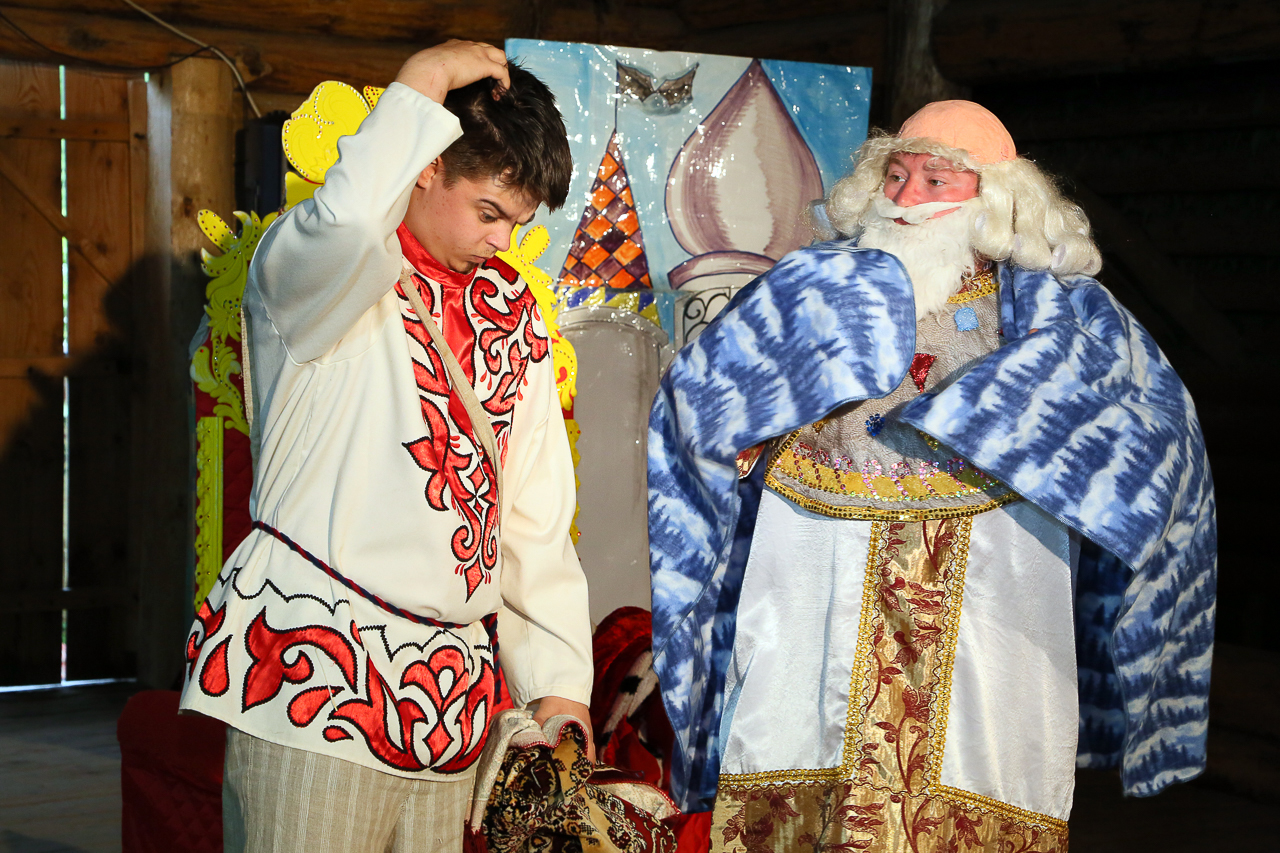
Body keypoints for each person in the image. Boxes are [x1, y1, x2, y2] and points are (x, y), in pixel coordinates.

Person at [647, 101, 1215, 852]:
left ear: (996, 200)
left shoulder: (1064, 319)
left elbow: (1158, 441)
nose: (905, 198)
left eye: (935, 180)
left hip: (989, 601)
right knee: (798, 761)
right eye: (896, 174)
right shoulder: (814, 289)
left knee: (969, 781)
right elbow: (710, 398)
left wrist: (1040, 431)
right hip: (816, 584)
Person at [180, 41, 594, 852]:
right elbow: (344, 221)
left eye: (519, 222)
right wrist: (424, 82)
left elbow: (533, 517)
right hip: (312, 686)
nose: (504, 241)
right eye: (489, 212)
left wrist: (557, 681)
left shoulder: (513, 311)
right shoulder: (316, 275)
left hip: (452, 713)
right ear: (425, 165)